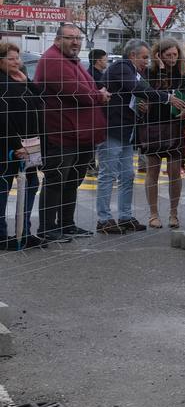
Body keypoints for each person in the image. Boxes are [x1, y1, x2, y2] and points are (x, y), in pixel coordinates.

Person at [96, 40, 185, 234]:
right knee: (108, 174)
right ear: (133, 56)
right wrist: (167, 97)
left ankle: (125, 217)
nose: (147, 61)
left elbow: (136, 95)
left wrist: (141, 106)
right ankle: (103, 219)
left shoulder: (137, 71)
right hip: (112, 129)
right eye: (144, 57)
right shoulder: (122, 67)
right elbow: (136, 88)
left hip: (127, 130)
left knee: (127, 175)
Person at [35, 25, 108, 241]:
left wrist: (95, 93)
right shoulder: (53, 60)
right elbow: (80, 94)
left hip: (79, 135)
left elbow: (88, 88)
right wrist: (99, 95)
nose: (76, 42)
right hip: (61, 134)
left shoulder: (70, 60)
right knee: (56, 180)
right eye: (70, 38)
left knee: (72, 181)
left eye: (78, 38)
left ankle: (66, 224)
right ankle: (47, 229)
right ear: (58, 40)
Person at [140, 38, 185, 229]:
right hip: (152, 125)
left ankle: (174, 213)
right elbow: (149, 94)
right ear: (158, 55)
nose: (171, 59)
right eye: (167, 55)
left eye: (175, 55)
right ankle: (153, 214)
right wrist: (160, 69)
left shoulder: (183, 75)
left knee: (175, 172)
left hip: (175, 126)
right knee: (152, 170)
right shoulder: (150, 74)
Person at [1, 41, 45, 249]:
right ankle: (2, 235)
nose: (16, 62)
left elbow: (38, 101)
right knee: (3, 186)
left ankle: (24, 231)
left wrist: (26, 81)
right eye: (11, 58)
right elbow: (3, 117)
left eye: (17, 58)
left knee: (31, 184)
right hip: (10, 145)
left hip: (31, 142)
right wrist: (15, 144)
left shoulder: (19, 78)